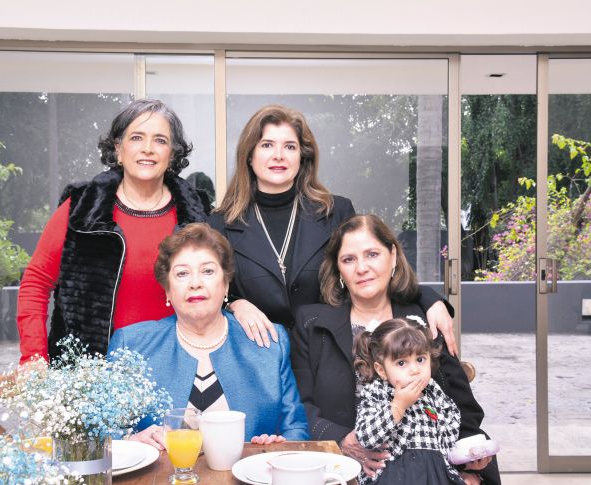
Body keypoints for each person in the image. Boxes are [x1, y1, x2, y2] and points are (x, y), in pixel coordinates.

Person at [208, 104, 459, 356]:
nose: (279, 155)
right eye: (266, 145)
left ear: (302, 157)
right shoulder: (221, 223)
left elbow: (370, 273)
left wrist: (428, 298)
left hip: (330, 355)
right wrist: (235, 304)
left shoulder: (336, 210)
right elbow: (208, 292)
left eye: (290, 146)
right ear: (249, 156)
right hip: (257, 357)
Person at [291, 214, 500, 484]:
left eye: (372, 254)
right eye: (349, 259)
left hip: (429, 469)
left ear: (392, 255)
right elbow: (299, 405)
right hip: (341, 469)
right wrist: (344, 441)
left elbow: (462, 406)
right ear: (338, 269)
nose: (362, 268)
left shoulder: (423, 319)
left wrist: (469, 466)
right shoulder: (312, 324)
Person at [17, 99, 212, 364]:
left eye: (160, 140)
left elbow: (223, 285)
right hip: (89, 376)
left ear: (173, 154)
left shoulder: (197, 213)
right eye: (136, 138)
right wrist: (34, 358)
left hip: (178, 370)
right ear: (118, 149)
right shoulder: (80, 207)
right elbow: (35, 284)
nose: (147, 149)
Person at [107, 223, 309, 449]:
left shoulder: (269, 342)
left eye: (208, 271)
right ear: (167, 290)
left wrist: (279, 444)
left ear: (226, 284)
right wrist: (129, 441)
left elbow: (296, 429)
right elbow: (102, 431)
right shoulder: (131, 344)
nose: (195, 283)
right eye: (182, 273)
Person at [353, 317, 478, 485]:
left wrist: (464, 457)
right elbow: (365, 437)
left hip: (434, 472)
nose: (414, 370)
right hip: (393, 474)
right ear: (381, 370)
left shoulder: (433, 391)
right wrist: (397, 406)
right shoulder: (376, 392)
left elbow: (450, 429)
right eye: (402, 362)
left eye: (420, 359)